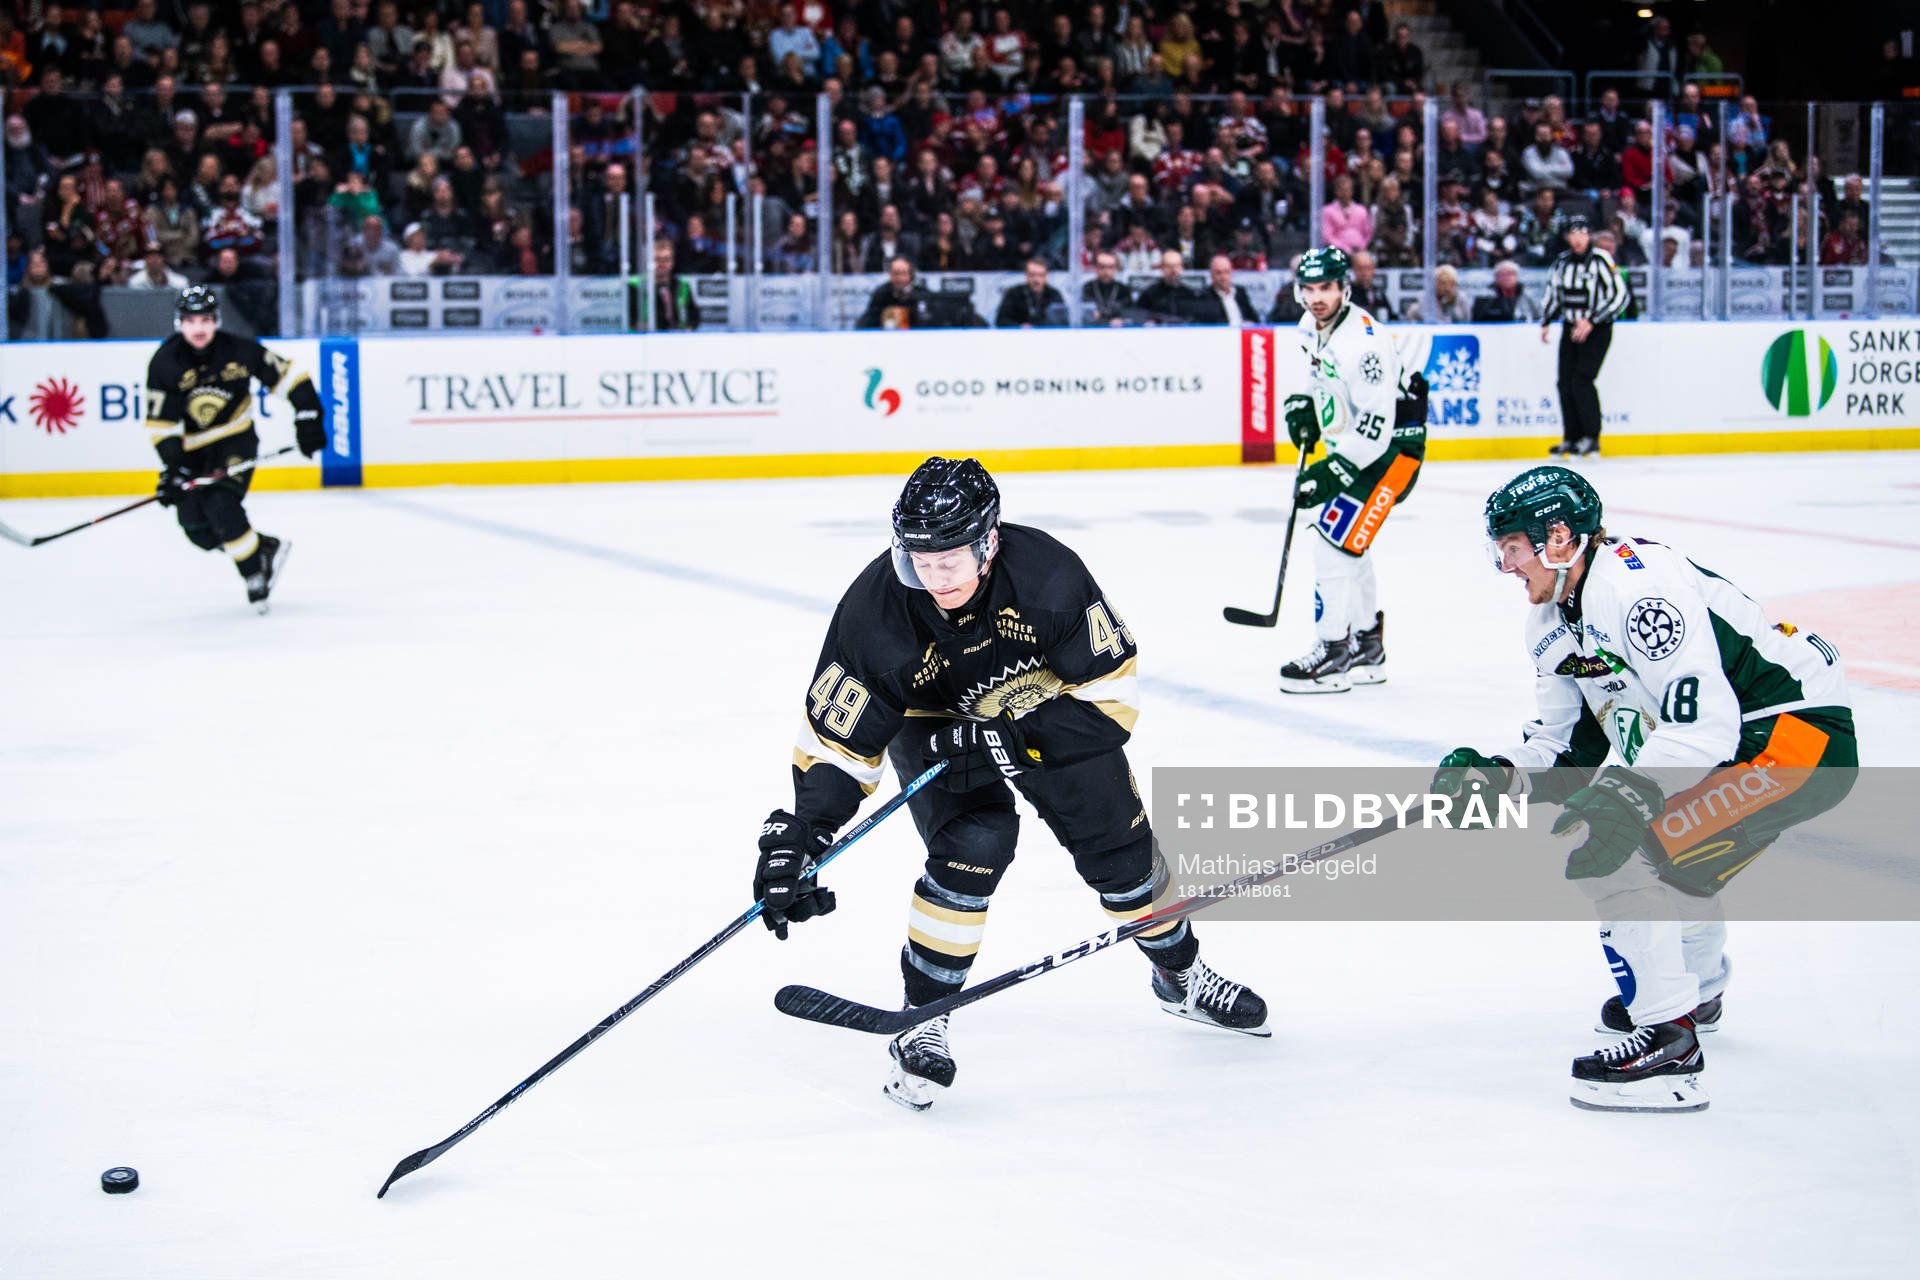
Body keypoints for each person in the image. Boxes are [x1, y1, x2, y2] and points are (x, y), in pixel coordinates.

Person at [757, 457, 1270, 1111]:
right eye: (919, 559)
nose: (933, 577)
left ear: (987, 543)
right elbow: (838, 743)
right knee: (975, 841)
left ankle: (1182, 976)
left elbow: (1112, 700)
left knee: (1123, 860)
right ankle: (925, 1021)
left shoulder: (1050, 578)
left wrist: (1010, 734)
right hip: (934, 722)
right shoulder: (874, 614)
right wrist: (801, 837)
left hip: (1047, 710)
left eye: (949, 559)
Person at [1433, 466, 1856, 1111]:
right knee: (1670, 854)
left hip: (1799, 739)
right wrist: (1501, 775)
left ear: (1558, 537)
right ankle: (1695, 990)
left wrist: (1626, 799)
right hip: (1742, 739)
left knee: (1622, 844)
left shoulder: (1638, 591)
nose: (1504, 563)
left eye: (1511, 547)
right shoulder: (1549, 621)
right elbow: (1569, 747)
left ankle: (1670, 1043)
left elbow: (1702, 724)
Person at [1277, 246, 1426, 694]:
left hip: (1393, 454)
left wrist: (1331, 472)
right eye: (1309, 288)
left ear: (1345, 288)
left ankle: (1334, 650)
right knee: (1347, 546)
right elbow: (1322, 379)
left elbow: (1377, 428)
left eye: (1326, 288)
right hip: (1359, 450)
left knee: (1331, 543)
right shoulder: (1312, 325)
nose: (1317, 297)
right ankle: (1367, 646)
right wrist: (1306, 406)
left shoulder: (1365, 345)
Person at [144, 287, 325, 612]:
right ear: (178, 323)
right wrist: (175, 468)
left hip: (235, 441)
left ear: (217, 320)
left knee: (221, 504)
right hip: (192, 451)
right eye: (190, 320)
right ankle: (263, 549)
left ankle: (253, 572)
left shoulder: (238, 350)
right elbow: (163, 426)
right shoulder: (165, 363)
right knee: (198, 530)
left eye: (205, 320)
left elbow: (291, 378)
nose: (198, 328)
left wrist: (308, 418)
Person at [1540, 215, 1630, 457]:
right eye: (1573, 233)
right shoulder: (1562, 262)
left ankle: (1591, 437)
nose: (1578, 239)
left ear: (1589, 235)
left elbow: (1620, 296)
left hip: (1597, 329)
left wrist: (1592, 320)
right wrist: (1546, 320)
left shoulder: (1601, 260)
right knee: (1564, 382)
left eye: (1582, 233)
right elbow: (1554, 292)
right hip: (1570, 328)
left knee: (1582, 380)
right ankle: (1571, 437)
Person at [645, 239, 699, 331]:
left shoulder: (682, 286)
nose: (662, 264)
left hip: (677, 339)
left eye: (666, 260)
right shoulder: (638, 286)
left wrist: (687, 330)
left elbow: (694, 317)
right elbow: (631, 320)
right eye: (657, 259)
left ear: (672, 262)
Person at [994, 258, 1065, 327]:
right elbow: (1001, 320)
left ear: (1046, 276)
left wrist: (1037, 327)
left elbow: (1061, 321)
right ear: (1026, 275)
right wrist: (1019, 327)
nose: (1036, 279)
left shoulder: (1054, 294)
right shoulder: (1013, 293)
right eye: (1032, 275)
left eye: (1040, 275)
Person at [1195, 254, 1258, 325]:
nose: (1223, 277)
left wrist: (1250, 323)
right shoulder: (1205, 297)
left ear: (1231, 273)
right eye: (1219, 273)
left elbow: (1254, 318)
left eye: (1226, 272)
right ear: (1211, 275)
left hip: (1243, 333)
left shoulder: (1240, 292)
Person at [1081, 249, 1133, 325]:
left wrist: (1122, 320)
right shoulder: (1087, 289)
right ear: (1095, 267)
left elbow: (1130, 315)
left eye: (1110, 267)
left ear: (1116, 268)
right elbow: (1086, 315)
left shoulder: (1123, 291)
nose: (1106, 271)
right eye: (1102, 267)